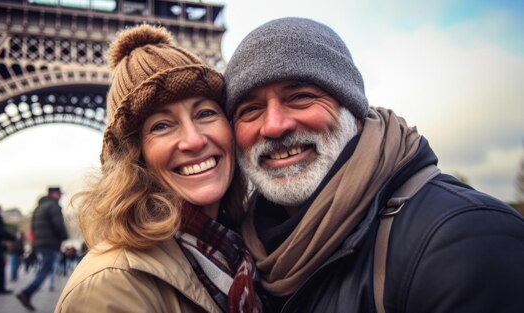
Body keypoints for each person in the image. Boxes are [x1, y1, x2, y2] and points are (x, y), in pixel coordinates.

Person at [222, 17, 524, 312]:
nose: (274, 126)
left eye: (300, 97)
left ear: (353, 112)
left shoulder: (466, 238)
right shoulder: (238, 248)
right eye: (250, 109)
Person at [55, 24, 260, 313]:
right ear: (134, 157)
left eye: (205, 113)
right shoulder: (110, 285)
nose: (194, 140)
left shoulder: (242, 252)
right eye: (161, 126)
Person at [16, 187, 68, 311]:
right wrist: (64, 237)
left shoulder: (39, 207)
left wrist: (35, 245)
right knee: (46, 269)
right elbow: (58, 225)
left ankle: (27, 293)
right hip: (50, 244)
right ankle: (27, 293)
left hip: (40, 244)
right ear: (54, 194)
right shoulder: (54, 206)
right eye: (59, 194)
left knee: (45, 268)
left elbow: (33, 229)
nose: (60, 197)